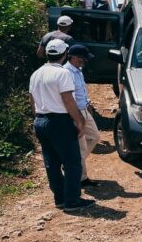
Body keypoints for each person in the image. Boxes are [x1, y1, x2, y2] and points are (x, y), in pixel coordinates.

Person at [29, 39, 94, 211]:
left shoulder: (36, 73)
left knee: (52, 163)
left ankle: (59, 199)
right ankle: (72, 200)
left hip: (41, 120)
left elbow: (32, 100)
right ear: (65, 54)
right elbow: (68, 100)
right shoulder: (62, 73)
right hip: (59, 121)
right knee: (72, 162)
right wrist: (79, 121)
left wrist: (38, 118)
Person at [65, 44, 102, 187]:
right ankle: (81, 177)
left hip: (85, 109)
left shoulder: (78, 70)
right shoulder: (66, 73)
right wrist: (76, 117)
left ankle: (74, 165)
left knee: (95, 137)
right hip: (77, 112)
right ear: (74, 57)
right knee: (80, 148)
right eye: (83, 58)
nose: (85, 61)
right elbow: (69, 97)